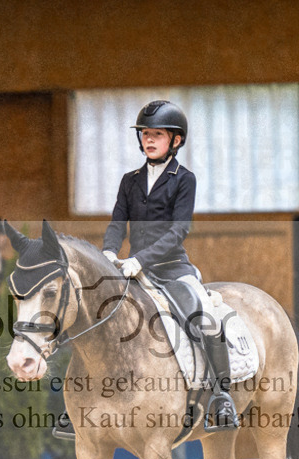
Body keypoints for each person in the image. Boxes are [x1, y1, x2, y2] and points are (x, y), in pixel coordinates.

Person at [55, 100, 238, 439]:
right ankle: (77, 406)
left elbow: (178, 231)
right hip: (130, 270)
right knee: (90, 321)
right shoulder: (130, 180)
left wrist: (141, 259)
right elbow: (117, 222)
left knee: (203, 319)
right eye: (145, 134)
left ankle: (221, 396)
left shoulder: (185, 180)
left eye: (157, 134)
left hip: (171, 268)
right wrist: (109, 252)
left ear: (176, 140)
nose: (149, 140)